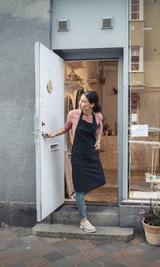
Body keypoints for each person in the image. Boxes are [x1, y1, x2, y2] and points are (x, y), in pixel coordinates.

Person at [42, 91, 106, 233]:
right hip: (78, 155)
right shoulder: (73, 114)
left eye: (84, 101)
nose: (80, 103)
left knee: (101, 179)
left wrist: (99, 141)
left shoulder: (98, 116)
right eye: (80, 100)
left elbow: (99, 128)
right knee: (81, 187)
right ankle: (84, 220)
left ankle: (77, 196)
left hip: (91, 153)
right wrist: (52, 134)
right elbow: (66, 128)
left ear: (92, 104)